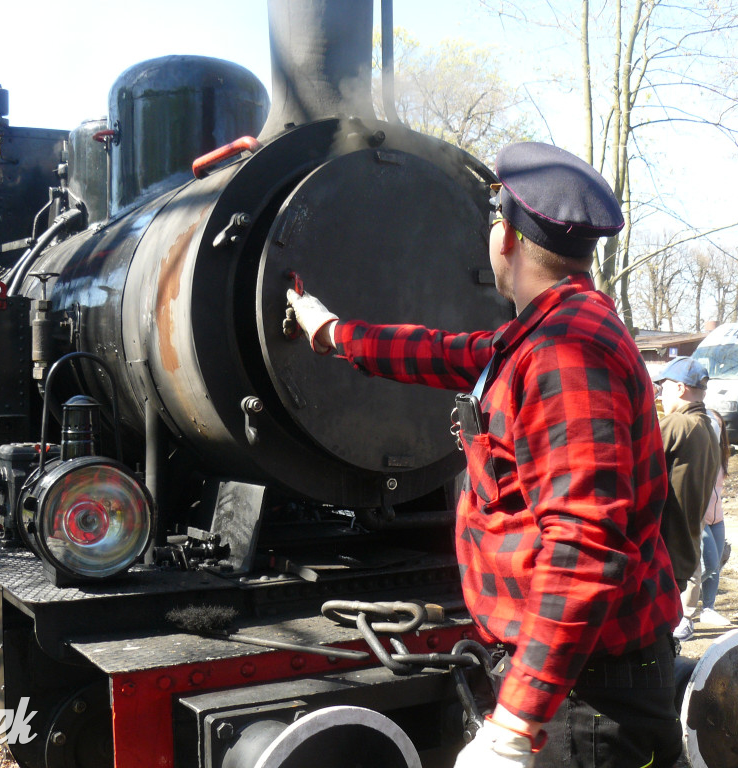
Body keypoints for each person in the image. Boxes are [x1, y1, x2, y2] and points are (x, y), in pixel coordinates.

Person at [287, 142, 682, 768]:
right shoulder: (542, 336)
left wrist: (515, 725)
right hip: (577, 680)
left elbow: (585, 547)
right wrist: (331, 332)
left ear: (507, 239)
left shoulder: (566, 354)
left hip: (587, 698)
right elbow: (441, 351)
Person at [654, 356, 721, 643]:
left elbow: (632, 465)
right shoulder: (707, 426)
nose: (660, 395)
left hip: (665, 548)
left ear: (680, 388)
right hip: (685, 548)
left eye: (663, 388)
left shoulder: (678, 424)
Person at [699, 409, 732, 626]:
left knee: (716, 565)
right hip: (699, 518)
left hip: (717, 518)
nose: (715, 430)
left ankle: (708, 609)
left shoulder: (722, 455)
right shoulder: (698, 453)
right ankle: (677, 598)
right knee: (709, 564)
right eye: (711, 426)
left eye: (719, 426)